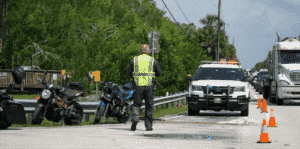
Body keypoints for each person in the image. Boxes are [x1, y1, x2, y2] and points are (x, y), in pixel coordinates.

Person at [126, 44, 162, 131]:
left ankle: (135, 119)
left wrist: (134, 78)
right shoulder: (152, 60)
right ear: (148, 51)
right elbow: (159, 73)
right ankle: (148, 126)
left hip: (138, 86)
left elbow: (128, 72)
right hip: (149, 86)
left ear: (140, 51)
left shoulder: (134, 60)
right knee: (149, 105)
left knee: (136, 104)